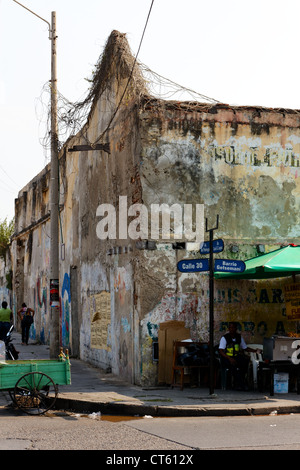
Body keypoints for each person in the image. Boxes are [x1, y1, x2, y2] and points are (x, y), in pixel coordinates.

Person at [219, 322, 262, 390]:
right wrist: (229, 358)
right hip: (227, 358)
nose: (232, 329)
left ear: (236, 329)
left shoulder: (239, 337)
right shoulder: (225, 338)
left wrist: (255, 351)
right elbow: (221, 351)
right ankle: (241, 385)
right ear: (228, 329)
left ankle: (240, 382)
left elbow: (245, 348)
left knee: (244, 362)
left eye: (233, 327)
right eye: (230, 327)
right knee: (233, 367)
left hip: (236, 356)